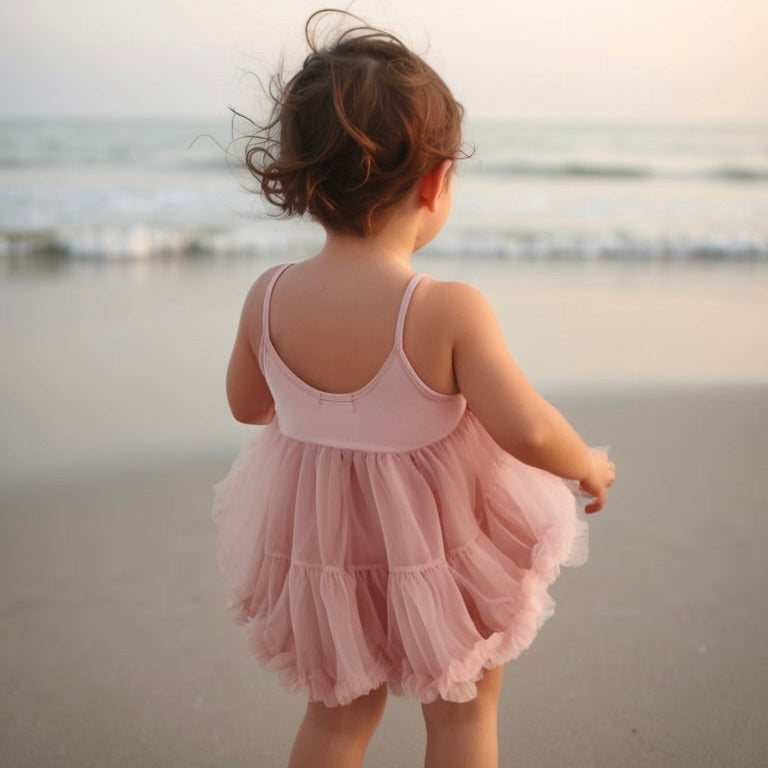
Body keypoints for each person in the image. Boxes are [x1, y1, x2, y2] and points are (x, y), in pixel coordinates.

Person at [212, 10, 615, 768]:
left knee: (338, 715)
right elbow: (526, 429)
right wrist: (585, 464)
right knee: (462, 712)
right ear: (434, 182)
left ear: (304, 180)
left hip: (324, 553)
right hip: (440, 551)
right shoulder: (443, 308)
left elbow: (246, 405)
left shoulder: (267, 295)